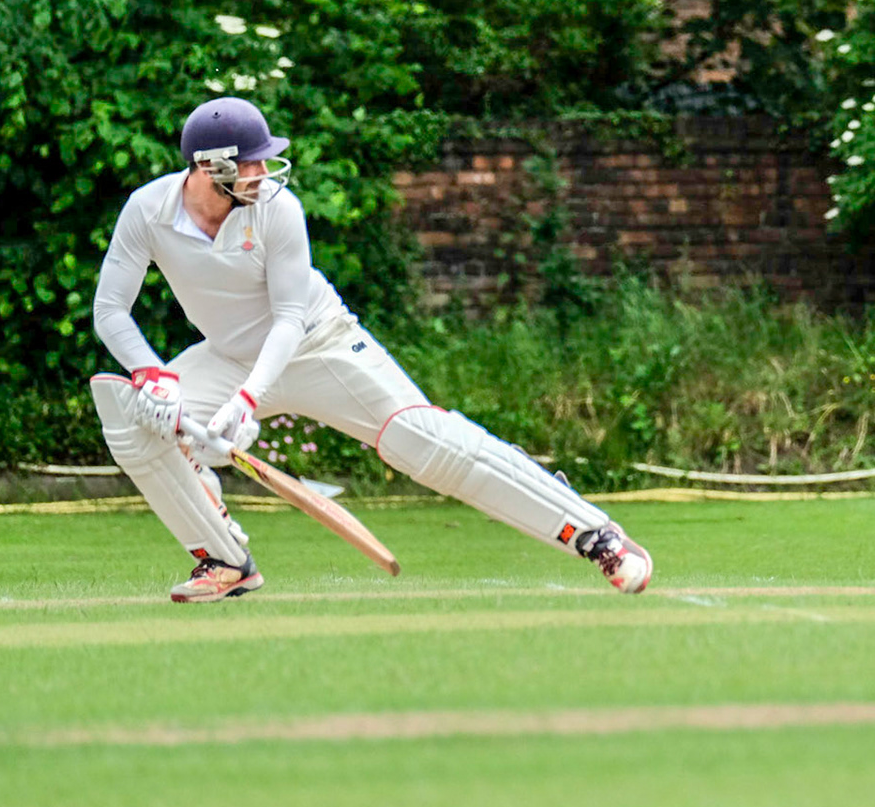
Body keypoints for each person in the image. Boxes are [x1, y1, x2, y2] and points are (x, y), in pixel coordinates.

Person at [89, 97, 653, 602]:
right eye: (252, 162)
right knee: (137, 426)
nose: (263, 172)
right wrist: (152, 373)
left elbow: (289, 318)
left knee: (419, 439)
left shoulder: (277, 209)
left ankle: (595, 535)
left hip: (320, 344)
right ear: (210, 167)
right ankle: (225, 561)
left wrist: (246, 400)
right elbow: (110, 309)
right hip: (227, 355)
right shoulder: (148, 210)